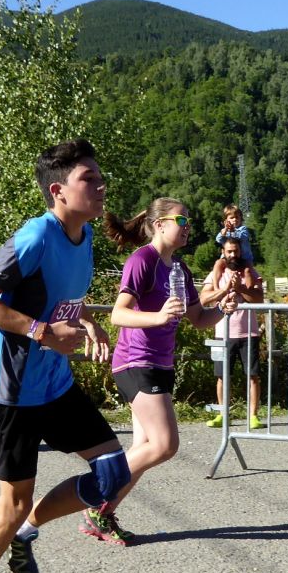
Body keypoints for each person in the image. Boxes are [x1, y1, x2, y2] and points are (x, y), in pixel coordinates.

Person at [0, 139, 128, 573]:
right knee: (12, 503)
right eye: (89, 179)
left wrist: (87, 322)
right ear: (58, 191)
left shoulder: (83, 235)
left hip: (55, 384)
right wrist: (44, 332)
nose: (101, 186)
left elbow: (65, 299)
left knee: (112, 472)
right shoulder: (34, 237)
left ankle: (26, 534)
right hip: (14, 393)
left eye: (100, 177)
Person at [92, 197, 237, 546]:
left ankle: (102, 513)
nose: (188, 227)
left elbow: (198, 319)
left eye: (189, 221)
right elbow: (118, 314)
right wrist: (157, 317)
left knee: (145, 448)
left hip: (161, 364)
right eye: (181, 221)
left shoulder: (180, 270)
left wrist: (224, 309)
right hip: (136, 361)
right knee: (165, 444)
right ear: (159, 225)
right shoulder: (142, 260)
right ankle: (93, 495)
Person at [200, 237, 265, 429]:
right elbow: (203, 298)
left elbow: (259, 299)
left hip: (248, 333)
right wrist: (224, 289)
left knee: (252, 376)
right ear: (223, 252)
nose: (233, 255)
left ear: (240, 251)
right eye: (229, 251)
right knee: (222, 376)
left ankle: (253, 416)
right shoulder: (217, 273)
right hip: (223, 333)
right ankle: (222, 414)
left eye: (236, 251)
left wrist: (240, 288)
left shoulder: (250, 271)